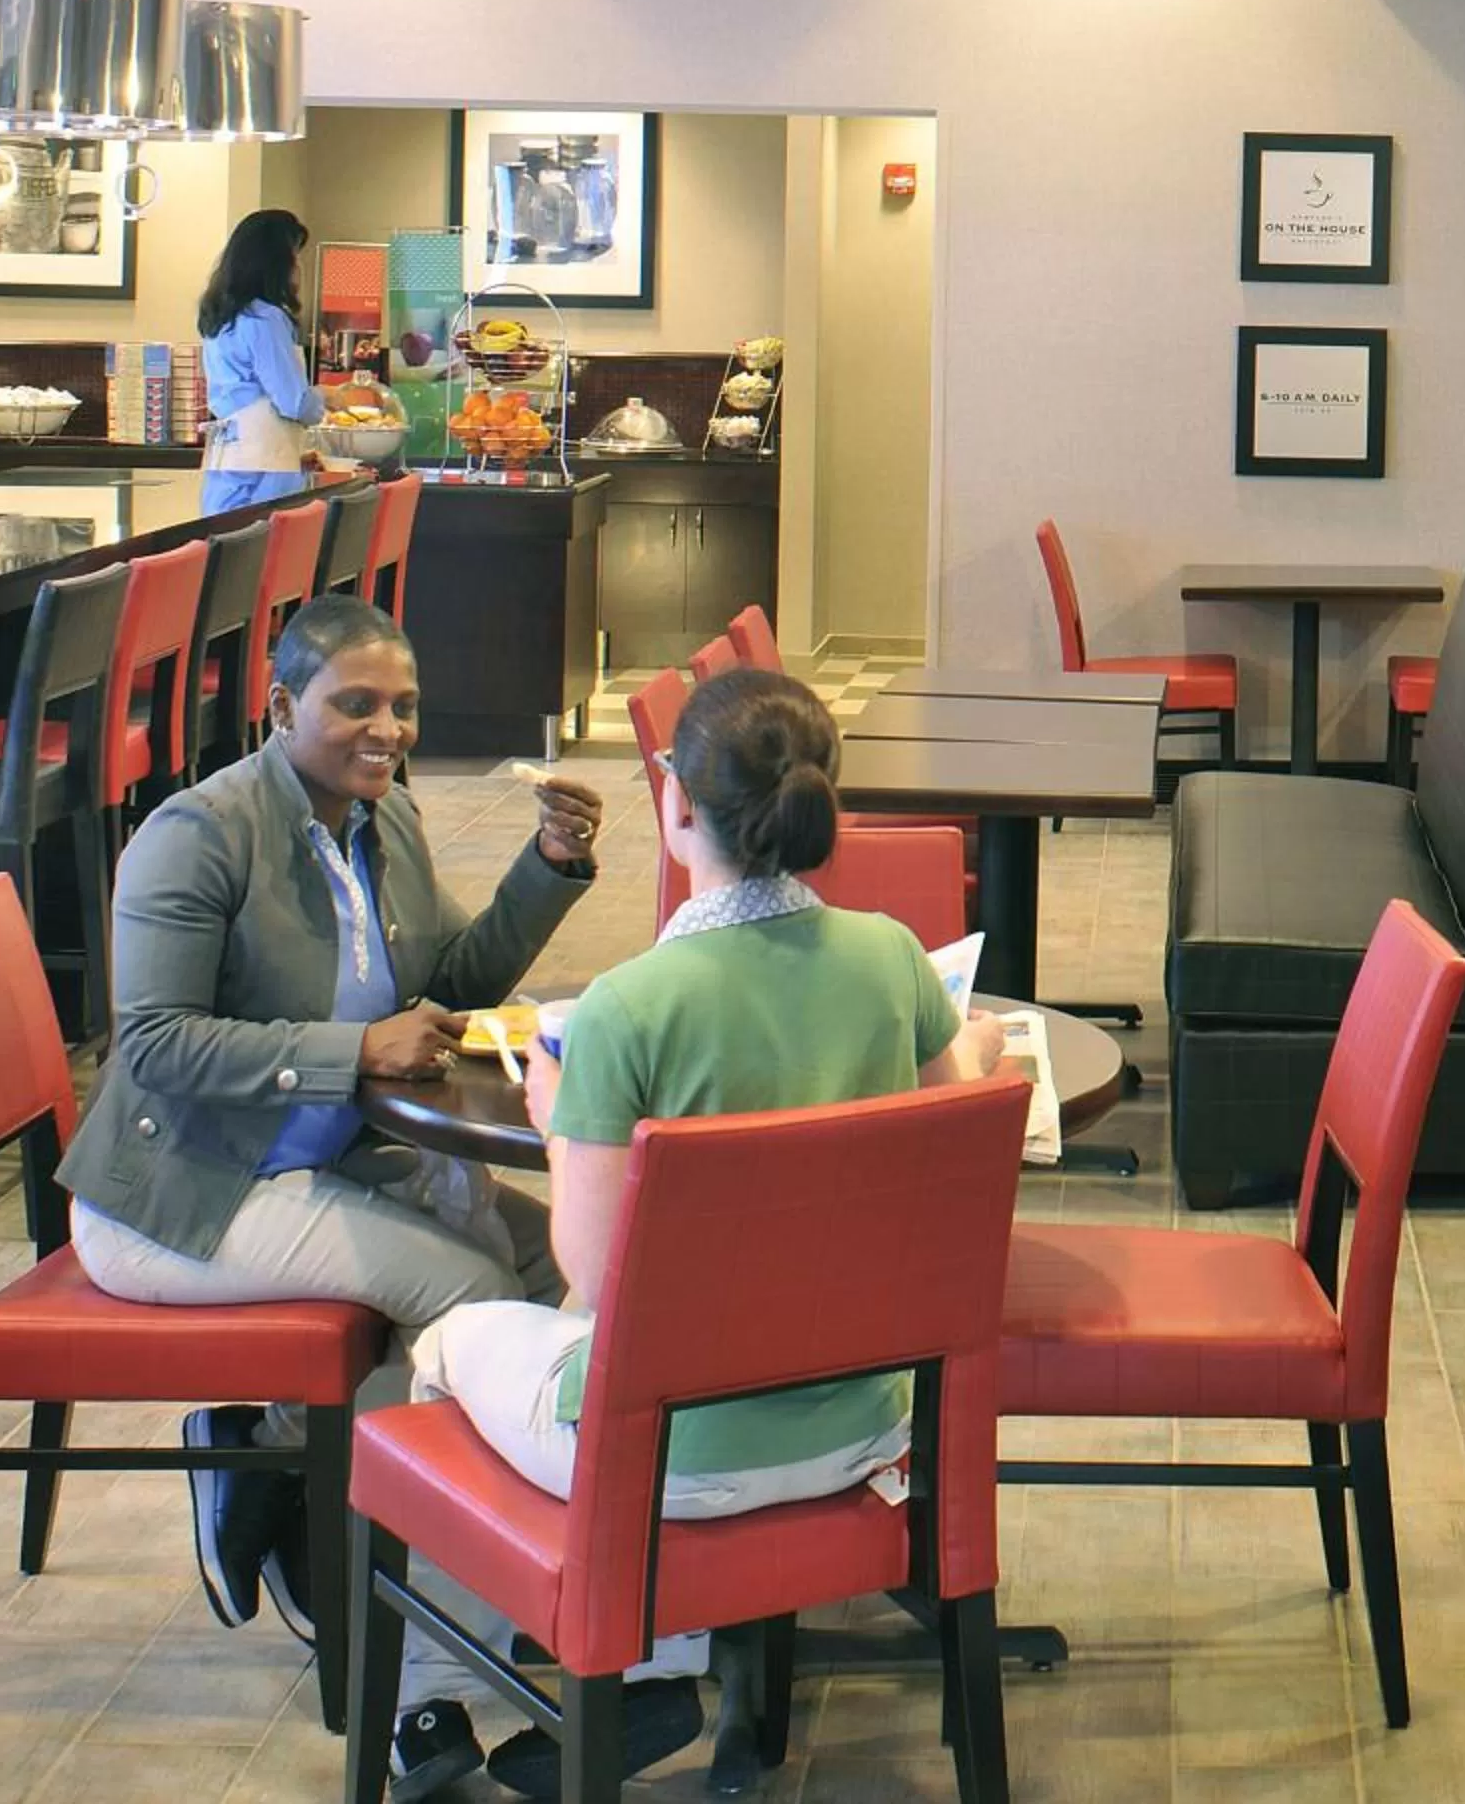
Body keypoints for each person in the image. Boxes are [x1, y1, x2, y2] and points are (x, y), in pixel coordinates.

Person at [385, 667, 1007, 1801]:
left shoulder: (629, 1006)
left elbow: (594, 1265)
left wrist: (555, 1119)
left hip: (674, 1459)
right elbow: (947, 1123)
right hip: (868, 1430)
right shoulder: (892, 959)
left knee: (449, 1342)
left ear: (675, 799)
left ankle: (485, 1686)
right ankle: (656, 1660)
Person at [55, 594, 606, 1653]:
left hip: (323, 1167)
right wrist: (353, 1051)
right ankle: (377, 1587)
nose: (387, 729)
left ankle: (274, 1451)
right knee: (475, 1293)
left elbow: (449, 980)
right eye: (355, 703)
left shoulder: (383, 813)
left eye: (403, 706)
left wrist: (548, 864)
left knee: (557, 1266)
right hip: (186, 1197)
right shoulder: (199, 833)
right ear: (277, 705)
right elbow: (157, 1042)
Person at [196, 209, 327, 512]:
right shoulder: (265, 319)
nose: (298, 266)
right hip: (264, 474)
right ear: (276, 262)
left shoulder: (220, 315)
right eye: (294, 256)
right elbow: (294, 402)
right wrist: (327, 398)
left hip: (228, 463)